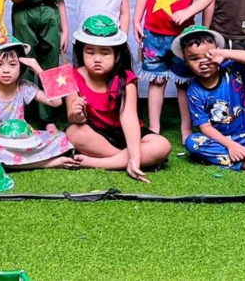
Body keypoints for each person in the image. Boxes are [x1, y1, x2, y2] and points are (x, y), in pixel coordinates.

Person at [133, 0, 214, 142]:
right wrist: (137, 20)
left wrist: (188, 11)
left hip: (182, 38)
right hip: (153, 34)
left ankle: (186, 129)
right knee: (157, 80)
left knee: (183, 84)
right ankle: (154, 129)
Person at [64, 15, 171, 182]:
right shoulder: (71, 77)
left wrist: (135, 157)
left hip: (126, 134)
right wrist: (77, 113)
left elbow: (129, 118)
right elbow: (73, 119)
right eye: (90, 52)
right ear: (81, 52)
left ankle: (104, 163)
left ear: (117, 55)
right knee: (73, 132)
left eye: (105, 53)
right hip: (96, 135)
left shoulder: (125, 79)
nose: (97, 59)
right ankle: (131, 160)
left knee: (162, 145)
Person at [176, 25, 245, 169]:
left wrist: (224, 53)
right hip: (220, 140)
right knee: (192, 142)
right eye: (195, 59)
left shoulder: (233, 69)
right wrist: (230, 145)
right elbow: (205, 127)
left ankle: (229, 156)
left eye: (208, 56)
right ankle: (244, 162)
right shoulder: (194, 91)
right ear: (186, 60)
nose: (203, 63)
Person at [0, 35, 76, 170]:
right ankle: (48, 163)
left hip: (26, 140)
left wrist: (39, 70)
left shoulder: (24, 87)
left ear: (21, 66)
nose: (6, 70)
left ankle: (21, 162)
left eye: (12, 64)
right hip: (1, 141)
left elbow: (56, 102)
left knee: (61, 137)